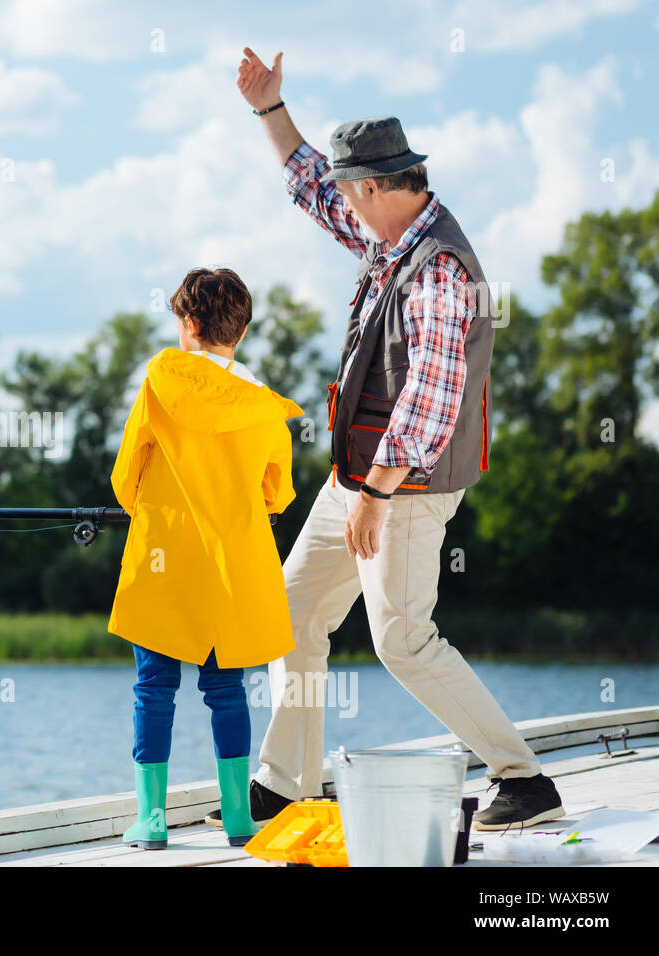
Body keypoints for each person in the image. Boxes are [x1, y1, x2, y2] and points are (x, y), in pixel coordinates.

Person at [231, 46, 564, 831]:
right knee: (293, 608)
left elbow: (431, 397)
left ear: (378, 187)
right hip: (361, 479)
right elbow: (313, 183)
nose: (342, 203)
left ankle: (523, 780)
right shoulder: (389, 239)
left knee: (403, 641)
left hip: (405, 488)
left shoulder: (439, 269)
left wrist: (376, 496)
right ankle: (289, 784)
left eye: (354, 191)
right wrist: (270, 109)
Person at [108, 266, 303, 848]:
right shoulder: (264, 407)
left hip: (165, 563)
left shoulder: (159, 383)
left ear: (188, 324)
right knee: (226, 692)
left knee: (153, 690)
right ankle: (239, 817)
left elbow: (126, 474)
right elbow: (279, 492)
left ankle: (152, 820)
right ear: (238, 332)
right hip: (231, 569)